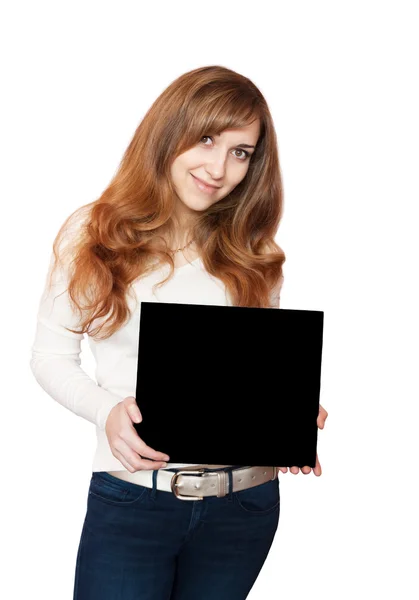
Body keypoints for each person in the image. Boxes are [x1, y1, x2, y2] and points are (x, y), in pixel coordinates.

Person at [30, 64, 328, 600]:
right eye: (208, 139)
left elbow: (252, 370)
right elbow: (50, 356)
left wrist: (290, 410)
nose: (220, 168)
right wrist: (106, 411)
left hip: (245, 508)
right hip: (133, 502)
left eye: (241, 152)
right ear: (170, 133)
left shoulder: (254, 250)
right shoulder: (93, 233)